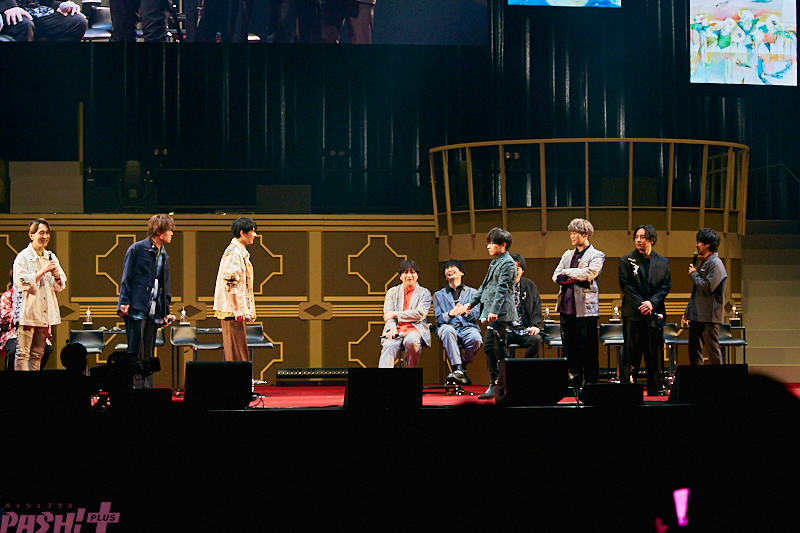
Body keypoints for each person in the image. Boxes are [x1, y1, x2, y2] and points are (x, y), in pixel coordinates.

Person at [117, 214, 175, 389]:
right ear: (158, 231)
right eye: (169, 230)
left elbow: (165, 285)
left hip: (154, 309)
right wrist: (124, 301)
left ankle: (146, 388)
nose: (172, 233)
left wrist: (166, 311)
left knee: (148, 353)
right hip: (137, 306)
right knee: (135, 351)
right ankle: (133, 388)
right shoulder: (137, 249)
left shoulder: (163, 254)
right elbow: (126, 277)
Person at [618, 224, 671, 395]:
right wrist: (642, 304)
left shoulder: (663, 262)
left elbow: (665, 286)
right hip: (633, 314)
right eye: (636, 237)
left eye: (642, 237)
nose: (638, 240)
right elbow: (626, 286)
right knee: (631, 353)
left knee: (653, 353)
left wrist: (652, 304)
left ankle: (655, 387)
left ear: (651, 240)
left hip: (653, 315)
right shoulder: (626, 260)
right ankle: (628, 387)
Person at [552, 218, 605, 388]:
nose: (572, 236)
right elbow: (556, 277)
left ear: (585, 234)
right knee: (570, 349)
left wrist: (567, 273)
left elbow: (590, 274)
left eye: (575, 233)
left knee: (588, 350)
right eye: (571, 233)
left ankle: (590, 384)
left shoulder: (597, 254)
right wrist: (575, 274)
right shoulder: (567, 255)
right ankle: (573, 383)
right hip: (566, 309)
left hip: (586, 311)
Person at [465, 228, 517, 399]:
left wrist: (494, 310)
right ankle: (505, 384)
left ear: (503, 245)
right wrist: (470, 304)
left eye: (492, 243)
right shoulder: (495, 262)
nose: (488, 246)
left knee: (488, 345)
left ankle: (494, 383)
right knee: (500, 349)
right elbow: (484, 286)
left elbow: (502, 289)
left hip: (501, 313)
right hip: (494, 312)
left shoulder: (508, 263)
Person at [13, 218, 66, 371]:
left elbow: (60, 284)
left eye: (47, 233)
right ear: (31, 235)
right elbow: (21, 282)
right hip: (28, 311)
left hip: (44, 311)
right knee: (23, 353)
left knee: (38, 354)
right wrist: (42, 271)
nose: (45, 236)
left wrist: (56, 276)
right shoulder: (23, 256)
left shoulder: (50, 256)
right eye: (41, 233)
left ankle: (34, 382)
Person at [214, 217, 258, 362]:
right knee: (236, 354)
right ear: (242, 232)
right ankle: (237, 378)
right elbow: (230, 281)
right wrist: (236, 309)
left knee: (239, 353)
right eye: (252, 231)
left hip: (236, 311)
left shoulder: (239, 251)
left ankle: (239, 377)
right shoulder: (234, 252)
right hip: (233, 312)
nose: (255, 234)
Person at [432, 259, 482, 386]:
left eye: (453, 267)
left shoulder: (473, 292)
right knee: (448, 331)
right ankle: (458, 369)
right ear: (445, 276)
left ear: (461, 273)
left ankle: (462, 363)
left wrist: (464, 311)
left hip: (467, 327)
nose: (449, 270)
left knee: (476, 339)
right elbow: (438, 318)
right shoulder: (438, 295)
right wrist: (450, 313)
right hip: (448, 326)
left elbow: (476, 314)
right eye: (447, 269)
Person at [683, 227, 727, 365]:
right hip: (697, 315)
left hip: (709, 316)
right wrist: (688, 311)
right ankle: (698, 377)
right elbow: (696, 291)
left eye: (699, 242)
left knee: (712, 350)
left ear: (707, 244)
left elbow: (708, 286)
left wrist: (694, 274)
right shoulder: (703, 262)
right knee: (694, 350)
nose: (696, 245)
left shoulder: (715, 263)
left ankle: (718, 378)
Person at [379, 260, 431, 368]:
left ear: (417, 275)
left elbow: (420, 314)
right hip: (396, 328)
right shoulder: (392, 292)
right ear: (400, 276)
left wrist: (396, 314)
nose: (409, 276)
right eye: (405, 272)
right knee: (389, 345)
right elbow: (388, 314)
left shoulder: (424, 293)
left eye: (412, 272)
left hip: (415, 328)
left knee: (412, 341)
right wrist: (392, 328)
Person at [506, 253, 544, 359]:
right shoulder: (501, 286)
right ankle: (503, 369)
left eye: (517, 269)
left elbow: (537, 306)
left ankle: (526, 368)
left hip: (525, 329)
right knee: (495, 341)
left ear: (522, 271)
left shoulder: (529, 285)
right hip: (507, 330)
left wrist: (535, 326)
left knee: (536, 340)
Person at [0, 0, 86, 41]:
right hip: (8, 9)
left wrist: (62, 5)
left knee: (77, 21)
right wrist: (9, 6)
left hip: (38, 10)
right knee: (24, 24)